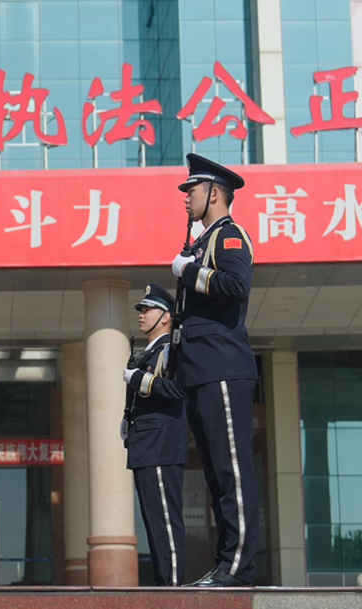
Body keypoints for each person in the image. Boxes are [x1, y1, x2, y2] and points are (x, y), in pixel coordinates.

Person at [171, 153, 258, 587]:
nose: (186, 198)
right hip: (202, 371)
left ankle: (238, 567)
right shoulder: (203, 242)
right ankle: (228, 564)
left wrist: (190, 273)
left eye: (192, 190)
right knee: (215, 473)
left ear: (215, 193)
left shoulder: (228, 236)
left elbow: (235, 285)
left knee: (232, 472)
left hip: (223, 367)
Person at [122, 283, 187, 587]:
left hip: (161, 444)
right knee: (153, 522)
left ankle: (172, 587)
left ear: (166, 316)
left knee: (165, 522)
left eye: (147, 309)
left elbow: (177, 389)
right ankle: (164, 585)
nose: (141, 314)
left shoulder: (172, 348)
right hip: (146, 445)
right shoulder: (149, 352)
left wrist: (139, 379)